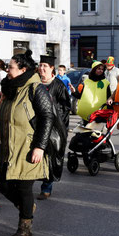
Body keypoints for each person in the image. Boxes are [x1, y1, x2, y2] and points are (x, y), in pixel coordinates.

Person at [0, 50, 54, 236]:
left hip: (28, 147)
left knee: (24, 187)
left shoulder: (36, 88)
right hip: (7, 147)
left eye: (10, 67)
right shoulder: (10, 88)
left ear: (23, 69)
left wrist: (39, 147)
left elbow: (47, 117)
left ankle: (24, 229)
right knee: (2, 182)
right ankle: (26, 207)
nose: (6, 70)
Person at [37, 58, 71, 200]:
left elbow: (65, 108)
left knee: (49, 158)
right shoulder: (34, 84)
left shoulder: (58, 86)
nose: (42, 68)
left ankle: (46, 187)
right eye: (40, 65)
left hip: (53, 128)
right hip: (35, 126)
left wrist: (58, 126)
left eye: (45, 66)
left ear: (52, 68)